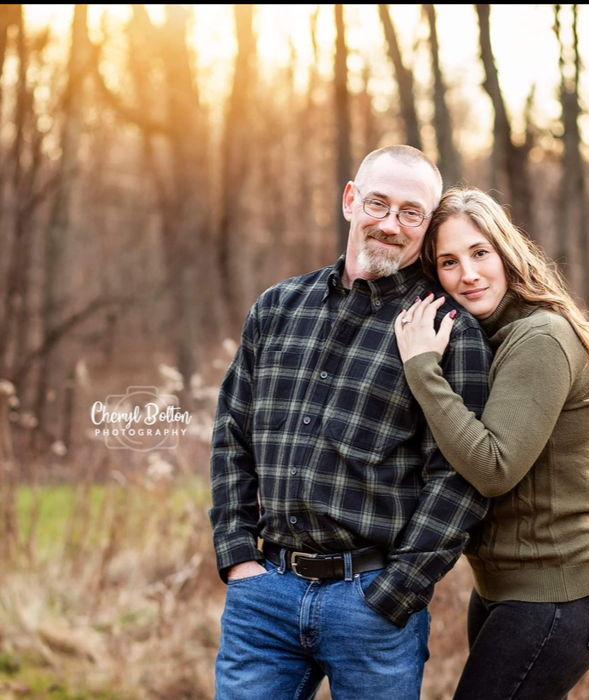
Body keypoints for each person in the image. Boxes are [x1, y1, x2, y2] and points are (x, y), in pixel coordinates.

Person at [209, 147, 492, 699]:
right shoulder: (278, 308)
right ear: (350, 200)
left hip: (372, 604)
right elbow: (231, 437)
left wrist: (398, 590)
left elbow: (460, 477)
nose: (390, 224)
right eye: (378, 204)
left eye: (411, 213)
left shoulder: (446, 329)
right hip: (264, 597)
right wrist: (237, 555)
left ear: (427, 226)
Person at [394, 186, 589, 700]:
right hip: (505, 591)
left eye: (480, 253)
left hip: (556, 597)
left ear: (506, 251)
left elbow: (494, 468)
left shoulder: (539, 338)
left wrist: (422, 370)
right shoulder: (490, 336)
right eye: (449, 262)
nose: (468, 274)